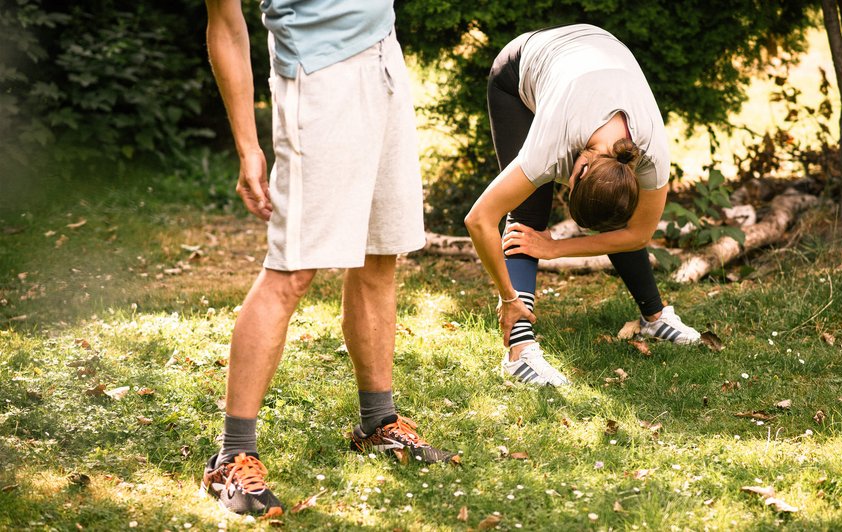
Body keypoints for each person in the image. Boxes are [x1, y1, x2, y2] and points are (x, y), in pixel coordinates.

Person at [203, 0, 455, 517]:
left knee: (378, 255)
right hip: (316, 82)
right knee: (291, 272)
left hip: (385, 62)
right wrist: (249, 146)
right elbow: (226, 25)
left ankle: (378, 422)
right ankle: (232, 455)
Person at [465, 24, 702, 387]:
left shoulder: (651, 152)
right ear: (580, 164)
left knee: (612, 205)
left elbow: (637, 234)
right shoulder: (552, 143)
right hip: (519, 72)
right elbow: (480, 219)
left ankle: (655, 317)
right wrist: (507, 297)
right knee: (529, 212)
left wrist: (556, 248)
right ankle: (518, 351)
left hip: (592, 57)